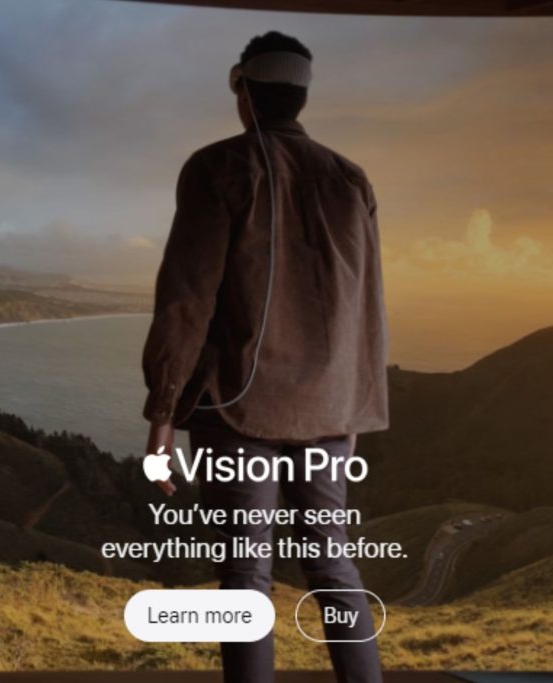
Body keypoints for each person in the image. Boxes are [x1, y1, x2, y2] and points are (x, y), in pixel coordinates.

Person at [141, 30, 389, 683]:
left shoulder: (218, 167)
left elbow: (187, 298)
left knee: (245, 572)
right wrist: (353, 407)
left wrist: (162, 413)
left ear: (244, 92)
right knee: (331, 561)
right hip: (330, 410)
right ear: (301, 96)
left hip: (237, 404)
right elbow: (365, 303)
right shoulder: (351, 179)